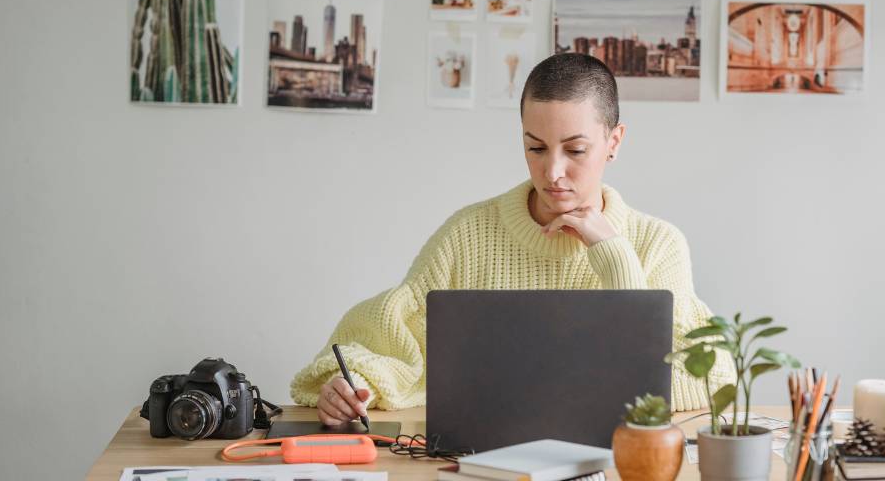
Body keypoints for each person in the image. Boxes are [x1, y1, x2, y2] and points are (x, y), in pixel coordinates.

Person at [290, 53, 735, 425]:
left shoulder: (658, 243)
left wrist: (613, 254)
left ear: (614, 141)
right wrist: (348, 386)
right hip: (480, 459)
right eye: (535, 147)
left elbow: (706, 382)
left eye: (576, 150)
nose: (553, 172)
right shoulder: (467, 234)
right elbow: (392, 340)